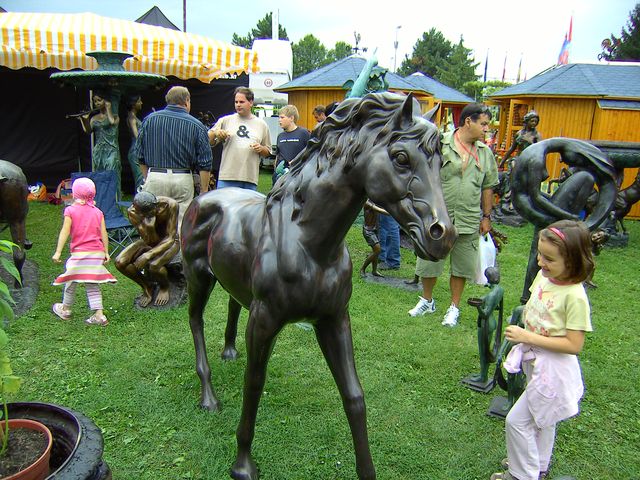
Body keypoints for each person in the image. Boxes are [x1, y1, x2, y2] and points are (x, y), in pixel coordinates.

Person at [491, 220, 594, 480]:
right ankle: (538, 465)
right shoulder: (545, 276)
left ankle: (521, 475)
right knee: (541, 417)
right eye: (540, 254)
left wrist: (528, 336)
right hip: (535, 363)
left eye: (549, 259)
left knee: (517, 421)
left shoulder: (574, 296)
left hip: (554, 370)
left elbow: (574, 345)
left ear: (572, 261)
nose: (540, 262)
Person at [408, 103, 499, 327]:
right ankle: (427, 301)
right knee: (429, 259)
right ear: (468, 121)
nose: (486, 129)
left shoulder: (485, 153)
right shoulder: (440, 143)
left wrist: (486, 216)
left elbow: (488, 186)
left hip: (468, 217)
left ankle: (454, 307)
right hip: (438, 216)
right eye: (483, 124)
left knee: (462, 265)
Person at [134, 86, 212, 230]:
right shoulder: (197, 125)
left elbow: (139, 154)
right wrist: (204, 190)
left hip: (155, 176)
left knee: (154, 224)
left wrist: (147, 177)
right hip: (182, 179)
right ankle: (178, 245)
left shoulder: (150, 120)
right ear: (187, 101)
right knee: (181, 224)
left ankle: (156, 244)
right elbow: (205, 162)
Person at [51, 177, 117, 326]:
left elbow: (65, 231)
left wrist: (58, 252)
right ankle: (99, 315)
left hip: (80, 254)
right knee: (92, 283)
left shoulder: (70, 210)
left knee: (71, 280)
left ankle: (65, 309)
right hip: (97, 254)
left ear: (74, 193)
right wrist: (106, 252)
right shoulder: (98, 212)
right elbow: (103, 233)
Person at [115, 192, 180, 307]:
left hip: (170, 242)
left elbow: (171, 237)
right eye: (149, 212)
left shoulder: (170, 205)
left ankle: (164, 287)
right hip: (148, 240)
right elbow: (149, 239)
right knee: (120, 262)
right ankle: (147, 286)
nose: (155, 212)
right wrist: (149, 225)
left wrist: (148, 255)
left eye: (154, 209)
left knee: (154, 265)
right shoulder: (132, 213)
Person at [208, 87, 271, 191]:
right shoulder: (225, 120)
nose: (238, 104)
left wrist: (261, 149)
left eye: (241, 102)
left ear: (251, 102)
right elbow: (209, 141)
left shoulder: (262, 125)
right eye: (236, 102)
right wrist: (215, 133)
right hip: (227, 177)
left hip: (249, 178)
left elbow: (268, 151)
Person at [78, 91, 121, 197]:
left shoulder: (115, 116)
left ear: (106, 101)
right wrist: (84, 120)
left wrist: (108, 108)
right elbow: (88, 131)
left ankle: (113, 199)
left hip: (111, 149)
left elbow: (111, 122)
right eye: (95, 101)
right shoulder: (94, 118)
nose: (97, 103)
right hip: (99, 151)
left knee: (111, 172)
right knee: (99, 174)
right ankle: (101, 199)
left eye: (99, 100)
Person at [272, 105, 310, 185]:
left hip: (298, 177)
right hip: (280, 177)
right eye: (279, 118)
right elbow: (277, 156)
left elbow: (311, 153)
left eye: (282, 117)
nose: (279, 120)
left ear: (291, 118)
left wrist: (298, 161)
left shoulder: (304, 133)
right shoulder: (280, 136)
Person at [360, 199, 387, 277]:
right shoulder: (367, 202)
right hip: (368, 231)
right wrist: (392, 212)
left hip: (375, 230)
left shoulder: (376, 201)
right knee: (377, 250)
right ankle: (362, 269)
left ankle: (374, 271)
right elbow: (380, 210)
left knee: (376, 252)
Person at [126, 94, 144, 193]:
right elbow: (136, 134)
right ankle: (138, 198)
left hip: (136, 149)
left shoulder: (133, 116)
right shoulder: (131, 117)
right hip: (135, 150)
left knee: (141, 177)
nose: (141, 103)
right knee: (139, 177)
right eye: (139, 101)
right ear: (133, 104)